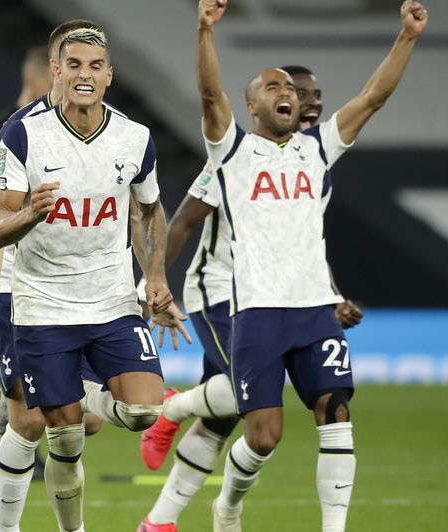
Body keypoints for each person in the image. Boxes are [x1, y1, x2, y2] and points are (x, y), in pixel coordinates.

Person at [192, 1, 426, 530]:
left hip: (314, 310)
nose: (288, 95)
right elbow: (209, 94)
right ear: (251, 106)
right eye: (274, 88)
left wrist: (408, 37)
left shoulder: (317, 149)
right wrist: (205, 31)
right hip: (256, 313)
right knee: (263, 437)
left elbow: (374, 97)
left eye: (292, 91)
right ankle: (228, 503)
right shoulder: (231, 153)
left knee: (336, 412)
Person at [136, 65, 364, 532]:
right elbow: (180, 222)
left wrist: (331, 294)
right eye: (301, 93)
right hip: (220, 289)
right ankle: (171, 409)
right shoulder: (233, 157)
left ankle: (160, 521)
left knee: (226, 418)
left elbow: (306, 244)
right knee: (245, 399)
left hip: (282, 295)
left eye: (315, 95)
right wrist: (151, 283)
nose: (311, 102)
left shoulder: (314, 161)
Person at [0, 27, 190, 532]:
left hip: (112, 301)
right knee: (62, 434)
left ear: (109, 75)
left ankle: (77, 391)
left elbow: (148, 211)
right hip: (43, 305)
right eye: (74, 65)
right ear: (57, 70)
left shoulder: (135, 138)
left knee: (143, 411)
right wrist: (31, 214)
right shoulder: (21, 134)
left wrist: (157, 280)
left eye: (95, 66)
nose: (85, 75)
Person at [0, 45, 57, 483]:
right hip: (9, 255)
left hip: (57, 260)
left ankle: (10, 432)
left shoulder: (68, 127)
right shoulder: (6, 129)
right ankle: (8, 439)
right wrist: (28, 204)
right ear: (39, 79)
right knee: (20, 359)